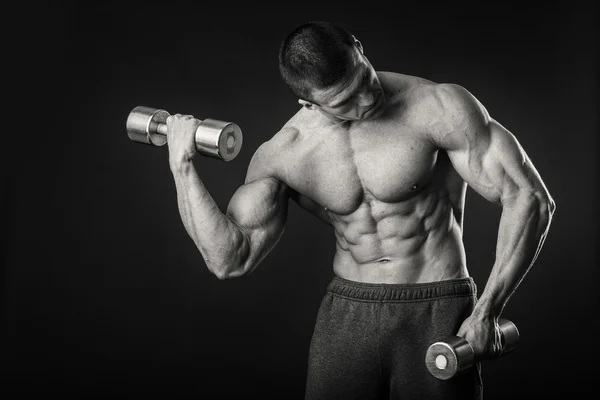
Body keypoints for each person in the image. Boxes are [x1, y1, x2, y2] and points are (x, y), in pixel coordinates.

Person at [164, 21, 556, 400]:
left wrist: (488, 308)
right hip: (347, 315)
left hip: (436, 306)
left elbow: (530, 198)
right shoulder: (284, 154)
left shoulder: (438, 107)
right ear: (309, 102)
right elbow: (230, 259)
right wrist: (182, 167)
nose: (367, 99)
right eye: (344, 102)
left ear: (359, 48)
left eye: (364, 79)